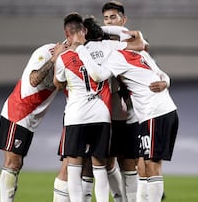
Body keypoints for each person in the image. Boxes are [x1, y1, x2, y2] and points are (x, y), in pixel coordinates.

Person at [73, 25, 179, 202]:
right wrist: (166, 81)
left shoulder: (117, 56)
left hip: (154, 112)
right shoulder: (141, 54)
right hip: (162, 111)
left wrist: (81, 49)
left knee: (152, 166)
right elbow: (160, 73)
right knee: (146, 165)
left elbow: (97, 75)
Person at [53, 12, 146, 202]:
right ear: (85, 30)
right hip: (101, 114)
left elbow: (58, 84)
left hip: (75, 115)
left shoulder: (64, 57)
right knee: (100, 168)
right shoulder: (107, 49)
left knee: (74, 168)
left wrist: (56, 59)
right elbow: (140, 45)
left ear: (67, 33)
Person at [102, 1, 170, 201]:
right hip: (111, 114)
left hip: (134, 115)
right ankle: (120, 197)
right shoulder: (101, 46)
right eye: (105, 18)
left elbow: (159, 73)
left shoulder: (137, 46)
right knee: (107, 163)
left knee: (134, 164)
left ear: (123, 20)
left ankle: (139, 196)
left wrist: (165, 82)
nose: (109, 21)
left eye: (113, 17)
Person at [0, 42, 67, 202]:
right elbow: (34, 79)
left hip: (31, 117)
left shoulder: (71, 56)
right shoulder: (47, 52)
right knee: (12, 163)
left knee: (17, 164)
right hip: (18, 112)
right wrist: (54, 59)